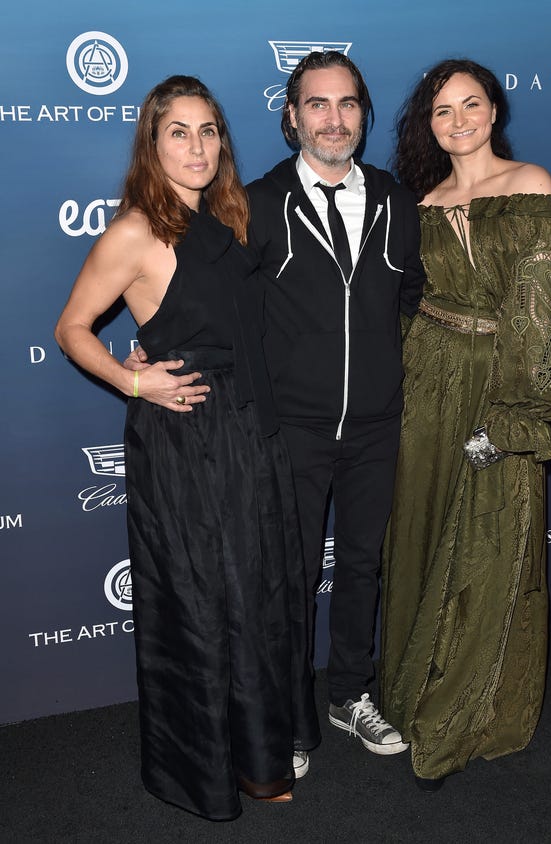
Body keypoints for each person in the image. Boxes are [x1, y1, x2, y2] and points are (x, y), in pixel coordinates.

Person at [55, 75, 319, 821]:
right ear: (152, 141)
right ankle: (206, 766)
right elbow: (71, 329)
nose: (197, 146)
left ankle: (261, 752)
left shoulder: (229, 219)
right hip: (189, 442)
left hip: (251, 433)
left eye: (209, 131)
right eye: (180, 131)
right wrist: (135, 385)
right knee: (208, 604)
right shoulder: (137, 230)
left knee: (260, 595)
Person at [379, 59, 551, 792]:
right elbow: (402, 300)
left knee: (493, 538)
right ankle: (412, 688)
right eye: (441, 110)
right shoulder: (420, 199)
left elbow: (543, 309)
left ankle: (470, 706)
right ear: (426, 124)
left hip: (500, 379)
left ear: (494, 109)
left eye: (471, 104)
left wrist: (517, 414)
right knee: (422, 530)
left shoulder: (531, 184)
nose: (458, 119)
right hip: (427, 380)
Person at [245, 50, 425, 763]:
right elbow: (222, 309)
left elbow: (410, 301)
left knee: (362, 565)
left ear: (363, 114)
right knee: (286, 575)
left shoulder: (394, 199)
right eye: (317, 104)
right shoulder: (256, 203)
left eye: (347, 104)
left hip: (378, 425)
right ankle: (287, 714)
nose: (333, 118)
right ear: (292, 117)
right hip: (293, 427)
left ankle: (351, 692)